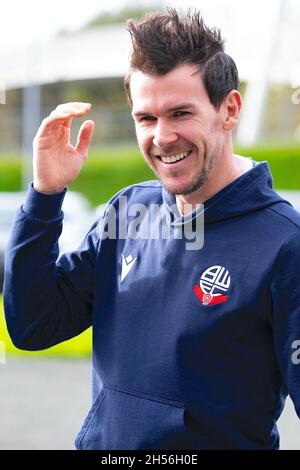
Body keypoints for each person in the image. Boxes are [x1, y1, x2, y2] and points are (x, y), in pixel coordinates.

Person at [3, 9, 300, 450]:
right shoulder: (129, 211)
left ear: (229, 109)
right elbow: (33, 327)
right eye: (146, 118)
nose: (162, 137)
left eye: (180, 113)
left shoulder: (285, 243)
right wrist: (46, 194)